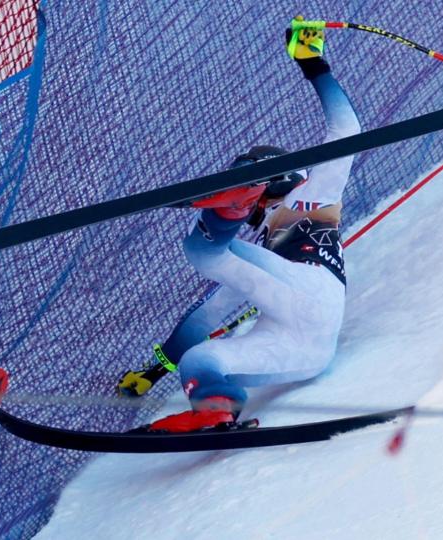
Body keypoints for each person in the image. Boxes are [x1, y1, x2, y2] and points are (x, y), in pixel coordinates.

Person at [146, 20, 361, 432]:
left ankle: (231, 202)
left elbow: (347, 131)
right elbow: (208, 317)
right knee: (202, 361)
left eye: (252, 196)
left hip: (310, 290)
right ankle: (216, 412)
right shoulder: (261, 257)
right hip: (308, 352)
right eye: (246, 198)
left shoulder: (314, 195)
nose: (257, 211)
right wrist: (160, 368)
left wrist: (311, 61)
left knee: (205, 251)